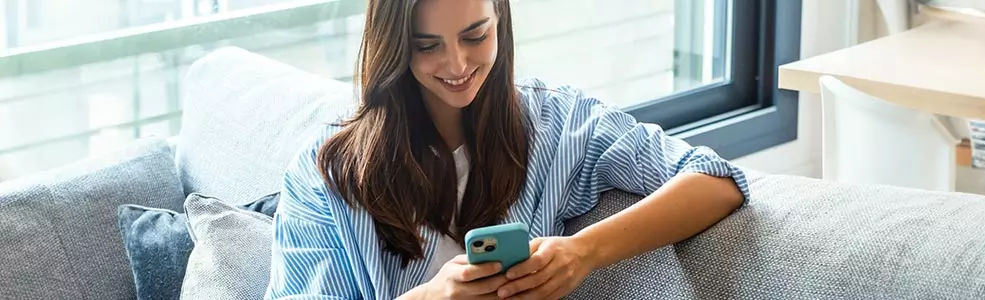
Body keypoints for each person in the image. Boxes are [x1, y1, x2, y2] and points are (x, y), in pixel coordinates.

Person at [264, 0, 750, 299]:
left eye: (475, 35)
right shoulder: (325, 174)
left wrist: (582, 252)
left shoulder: (555, 124)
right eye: (427, 45)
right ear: (394, 45)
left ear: (501, 19)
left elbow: (716, 181)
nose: (456, 64)